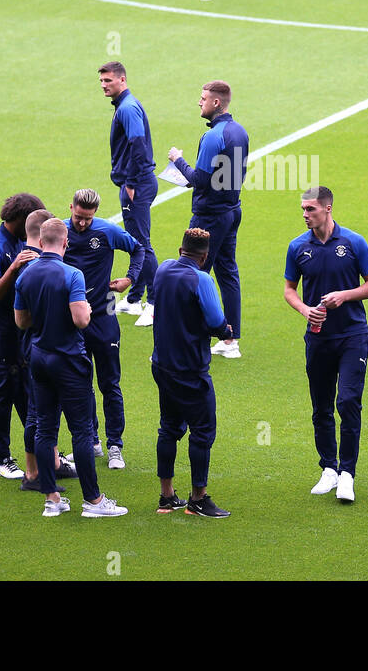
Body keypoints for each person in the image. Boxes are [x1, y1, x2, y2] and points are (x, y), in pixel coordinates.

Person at [15, 218, 127, 517]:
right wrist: (87, 310)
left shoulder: (25, 274)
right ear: (65, 243)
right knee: (80, 430)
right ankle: (93, 501)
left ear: (40, 242)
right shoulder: (72, 274)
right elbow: (81, 320)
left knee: (44, 428)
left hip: (39, 357)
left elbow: (21, 321)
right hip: (68, 358)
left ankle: (52, 499)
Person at [284, 186, 368, 504]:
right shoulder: (297, 247)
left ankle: (348, 474)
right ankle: (329, 468)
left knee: (348, 402)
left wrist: (344, 295)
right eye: (302, 209)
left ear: (328, 209)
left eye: (310, 209)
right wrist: (303, 309)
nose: (305, 214)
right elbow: (289, 290)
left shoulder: (354, 243)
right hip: (318, 336)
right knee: (321, 406)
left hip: (353, 336)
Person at [150, 228, 235, 518]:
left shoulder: (162, 269)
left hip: (162, 366)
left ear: (179, 250)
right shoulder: (201, 278)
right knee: (202, 430)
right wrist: (225, 331)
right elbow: (215, 320)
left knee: (169, 428)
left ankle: (166, 497)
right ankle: (198, 500)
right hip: (190, 370)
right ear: (205, 256)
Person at [63, 188, 146, 471]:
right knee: (81, 383)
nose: (82, 223)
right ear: (70, 207)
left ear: (95, 213)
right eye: (78, 217)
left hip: (104, 314)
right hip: (74, 319)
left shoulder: (108, 231)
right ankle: (92, 441)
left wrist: (130, 279)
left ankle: (115, 446)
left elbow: (139, 249)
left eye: (87, 218)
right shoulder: (60, 233)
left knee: (109, 383)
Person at [169, 80, 248, 358]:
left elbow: (198, 180)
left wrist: (178, 160)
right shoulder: (240, 131)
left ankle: (189, 337)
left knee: (192, 274)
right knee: (228, 273)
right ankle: (231, 340)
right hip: (231, 210)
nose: (199, 102)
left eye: (202, 98)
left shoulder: (213, 136)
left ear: (216, 103)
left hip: (209, 216)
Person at [0, 192, 45, 480]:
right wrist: (15, 267)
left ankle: (41, 451)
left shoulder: (19, 240)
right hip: (1, 332)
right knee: (6, 390)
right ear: (18, 219)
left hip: (21, 331)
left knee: (26, 390)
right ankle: (2, 458)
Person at [15, 210, 76, 494]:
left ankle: (47, 465)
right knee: (39, 416)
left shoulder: (27, 266)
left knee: (42, 414)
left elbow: (20, 318)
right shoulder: (35, 265)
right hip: (43, 348)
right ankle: (32, 473)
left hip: (33, 346)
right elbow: (80, 319)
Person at [100, 61, 158, 325]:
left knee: (141, 244)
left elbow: (138, 145)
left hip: (137, 184)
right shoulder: (124, 106)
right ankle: (135, 299)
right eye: (101, 81)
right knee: (137, 241)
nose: (104, 85)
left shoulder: (128, 108)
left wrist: (132, 183)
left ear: (122, 80)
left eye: (108, 81)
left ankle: (155, 303)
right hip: (135, 183)